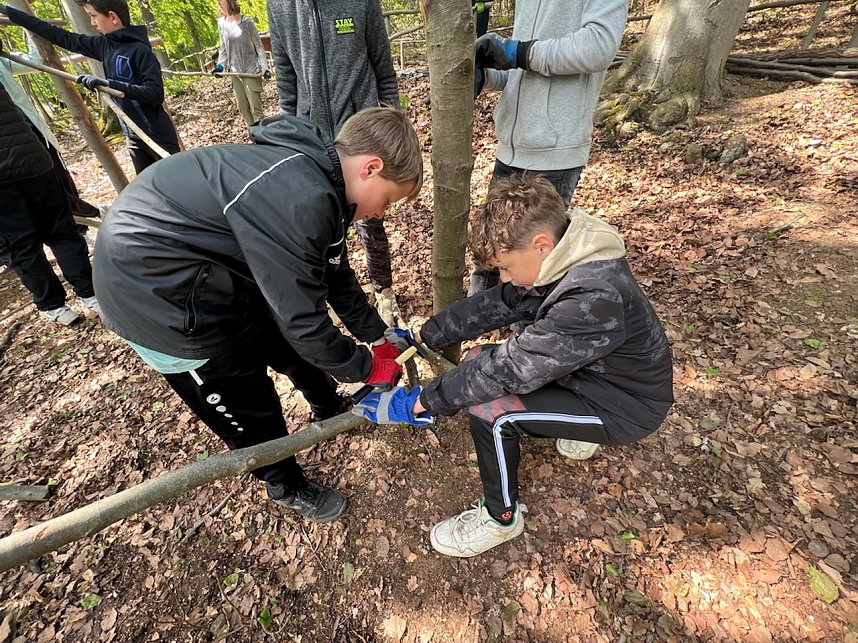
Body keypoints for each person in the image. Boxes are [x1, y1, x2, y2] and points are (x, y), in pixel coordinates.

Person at [92, 107, 422, 523]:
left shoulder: (321, 181)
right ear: (371, 168)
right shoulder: (302, 198)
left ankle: (327, 406)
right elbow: (305, 323)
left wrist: (377, 337)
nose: (381, 213)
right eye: (388, 199)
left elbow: (334, 275)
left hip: (215, 275)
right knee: (249, 402)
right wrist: (365, 367)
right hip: (155, 299)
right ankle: (283, 481)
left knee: (286, 344)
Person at [354, 174, 673, 557]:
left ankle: (500, 518)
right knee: (477, 363)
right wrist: (423, 338)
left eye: (505, 267)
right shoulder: (565, 254)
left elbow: (507, 370)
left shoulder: (590, 297)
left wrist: (419, 403)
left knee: (493, 410)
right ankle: (572, 430)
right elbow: (497, 303)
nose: (504, 277)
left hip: (626, 404)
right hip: (591, 375)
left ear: (541, 245)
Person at [469, 0, 628, 294]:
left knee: (532, 269)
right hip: (511, 147)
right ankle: (464, 333)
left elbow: (598, 47)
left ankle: (530, 338)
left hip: (554, 152)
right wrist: (484, 75)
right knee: (491, 255)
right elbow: (522, 68)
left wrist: (520, 52)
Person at [267, 0, 404, 326]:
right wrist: (293, 133)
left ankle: (384, 293)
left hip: (360, 135)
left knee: (370, 221)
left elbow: (383, 69)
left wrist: (391, 125)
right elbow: (286, 77)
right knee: (321, 222)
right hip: (312, 139)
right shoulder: (281, 7)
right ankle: (332, 298)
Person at [0, 0, 181, 175]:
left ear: (113, 17)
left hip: (158, 137)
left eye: (93, 16)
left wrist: (109, 84)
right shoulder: (104, 45)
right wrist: (8, 11)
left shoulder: (140, 51)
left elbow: (155, 93)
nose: (92, 23)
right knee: (152, 192)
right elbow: (60, 36)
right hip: (133, 138)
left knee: (180, 186)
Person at [0, 78, 98, 325]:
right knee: (61, 232)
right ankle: (91, 295)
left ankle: (55, 306)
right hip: (34, 162)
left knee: (20, 246)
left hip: (15, 172)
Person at [212, 0, 270, 127]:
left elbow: (259, 48)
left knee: (256, 110)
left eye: (221, 3)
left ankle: (263, 140)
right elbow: (223, 47)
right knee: (243, 109)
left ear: (229, 3)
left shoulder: (247, 23)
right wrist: (220, 66)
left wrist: (265, 68)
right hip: (235, 72)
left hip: (251, 71)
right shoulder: (222, 23)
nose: (219, 6)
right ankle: (254, 138)